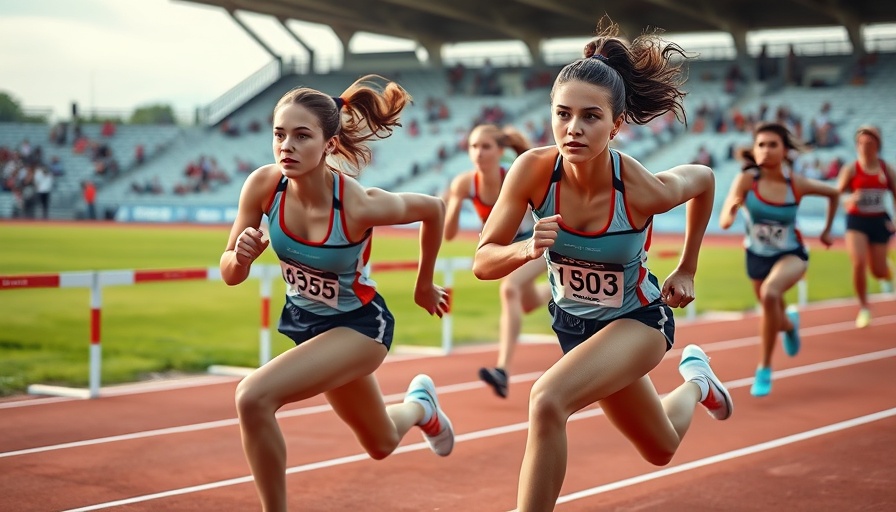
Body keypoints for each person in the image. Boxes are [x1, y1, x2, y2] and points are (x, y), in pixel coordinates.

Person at [471, 21, 733, 511]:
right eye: (563, 114)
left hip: (637, 321)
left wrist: (687, 267)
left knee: (547, 398)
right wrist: (524, 249)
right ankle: (698, 381)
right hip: (576, 327)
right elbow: (483, 261)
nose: (574, 129)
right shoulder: (532, 171)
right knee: (660, 446)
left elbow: (704, 179)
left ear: (615, 126)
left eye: (591, 117)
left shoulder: (637, 187)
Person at [220, 75, 454, 511]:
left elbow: (432, 209)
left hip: (361, 328)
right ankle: (422, 408)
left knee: (252, 397)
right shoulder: (263, 187)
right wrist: (242, 257)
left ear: (328, 145)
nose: (286, 146)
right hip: (309, 327)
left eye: (301, 135)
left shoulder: (358, 204)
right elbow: (230, 273)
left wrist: (423, 285)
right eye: (279, 134)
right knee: (381, 441)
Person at [720, 122, 839, 397]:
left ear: (785, 150)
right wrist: (731, 214)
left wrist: (826, 231)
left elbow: (833, 194)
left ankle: (763, 368)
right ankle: (790, 324)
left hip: (791, 254)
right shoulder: (747, 179)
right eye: (761, 145)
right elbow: (728, 212)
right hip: (756, 256)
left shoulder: (795, 184)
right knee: (773, 313)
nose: (766, 150)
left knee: (771, 293)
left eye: (773, 144)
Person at [442, 124, 552, 398]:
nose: (479, 153)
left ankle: (502, 370)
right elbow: (449, 234)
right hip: (507, 252)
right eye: (473, 146)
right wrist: (452, 203)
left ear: (500, 150)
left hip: (536, 243)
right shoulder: (465, 184)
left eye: (486, 146)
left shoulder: (514, 175)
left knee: (509, 289)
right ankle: (566, 286)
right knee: (526, 303)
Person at [836, 125, 896, 328]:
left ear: (877, 145)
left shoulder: (886, 169)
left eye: (869, 143)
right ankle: (864, 307)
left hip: (879, 220)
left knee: (878, 271)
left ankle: (886, 270)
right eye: (861, 143)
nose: (864, 147)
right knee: (858, 263)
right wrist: (850, 198)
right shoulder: (851, 169)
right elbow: (838, 194)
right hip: (857, 221)